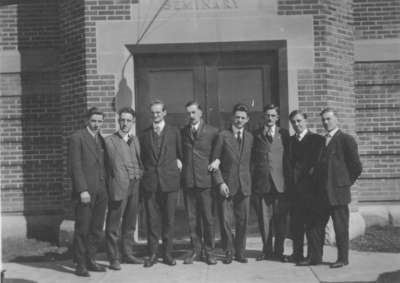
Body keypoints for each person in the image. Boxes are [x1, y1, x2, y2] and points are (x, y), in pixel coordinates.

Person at [315, 107, 362, 268]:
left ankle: (343, 259)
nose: (325, 122)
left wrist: (344, 183)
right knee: (316, 226)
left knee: (341, 227)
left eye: (328, 119)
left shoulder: (346, 139)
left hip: (339, 193)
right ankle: (315, 257)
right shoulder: (322, 141)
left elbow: (356, 167)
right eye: (323, 119)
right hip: (322, 194)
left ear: (337, 119)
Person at [140, 100, 183, 267]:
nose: (155, 115)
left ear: (164, 112)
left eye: (158, 112)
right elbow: (142, 159)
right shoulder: (144, 134)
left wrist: (176, 172)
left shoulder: (174, 132)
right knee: (152, 220)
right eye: (153, 112)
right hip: (151, 184)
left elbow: (180, 155)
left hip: (170, 183)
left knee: (169, 220)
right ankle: (152, 254)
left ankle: (167, 254)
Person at [211, 103, 253, 264]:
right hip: (226, 186)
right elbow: (215, 161)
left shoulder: (250, 138)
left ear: (247, 120)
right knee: (226, 221)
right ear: (232, 118)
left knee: (243, 220)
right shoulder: (223, 135)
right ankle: (228, 251)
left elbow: (252, 163)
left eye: (243, 118)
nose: (239, 120)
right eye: (237, 117)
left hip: (245, 185)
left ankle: (240, 252)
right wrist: (220, 183)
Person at [68, 107, 108, 277]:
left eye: (99, 121)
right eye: (94, 121)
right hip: (85, 193)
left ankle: (91, 260)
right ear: (87, 121)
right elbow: (75, 166)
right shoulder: (77, 138)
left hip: (101, 191)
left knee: (97, 228)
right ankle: (80, 264)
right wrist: (82, 189)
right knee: (83, 229)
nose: (97, 124)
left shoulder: (101, 139)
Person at [104, 107, 144, 271]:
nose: (125, 123)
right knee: (114, 225)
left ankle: (128, 253)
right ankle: (114, 258)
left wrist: (139, 174)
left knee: (130, 223)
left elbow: (139, 161)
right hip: (118, 187)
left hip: (134, 186)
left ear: (133, 122)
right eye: (122, 120)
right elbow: (105, 168)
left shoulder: (135, 140)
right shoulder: (109, 141)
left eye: (128, 120)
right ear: (118, 121)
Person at [251, 104, 291, 262]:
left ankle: (279, 251)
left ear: (277, 118)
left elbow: (289, 158)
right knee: (264, 219)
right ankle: (266, 250)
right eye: (267, 115)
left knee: (280, 219)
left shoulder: (284, 134)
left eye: (273, 116)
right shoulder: (256, 134)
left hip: (280, 184)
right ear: (263, 117)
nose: (270, 118)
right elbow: (252, 160)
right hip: (263, 184)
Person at [181, 101, 218, 265]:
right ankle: (196, 249)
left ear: (201, 113)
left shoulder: (212, 132)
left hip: (206, 181)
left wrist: (217, 160)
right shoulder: (183, 132)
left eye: (194, 112)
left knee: (208, 219)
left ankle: (209, 251)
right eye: (188, 113)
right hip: (189, 181)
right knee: (192, 218)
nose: (191, 116)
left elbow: (219, 153)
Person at [287, 110, 325, 265]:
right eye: (294, 122)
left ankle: (313, 257)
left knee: (311, 226)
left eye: (299, 121)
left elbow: (318, 165)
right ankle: (297, 254)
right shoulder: (289, 141)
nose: (297, 124)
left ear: (305, 121)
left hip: (311, 191)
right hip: (295, 191)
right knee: (296, 224)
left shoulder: (317, 140)